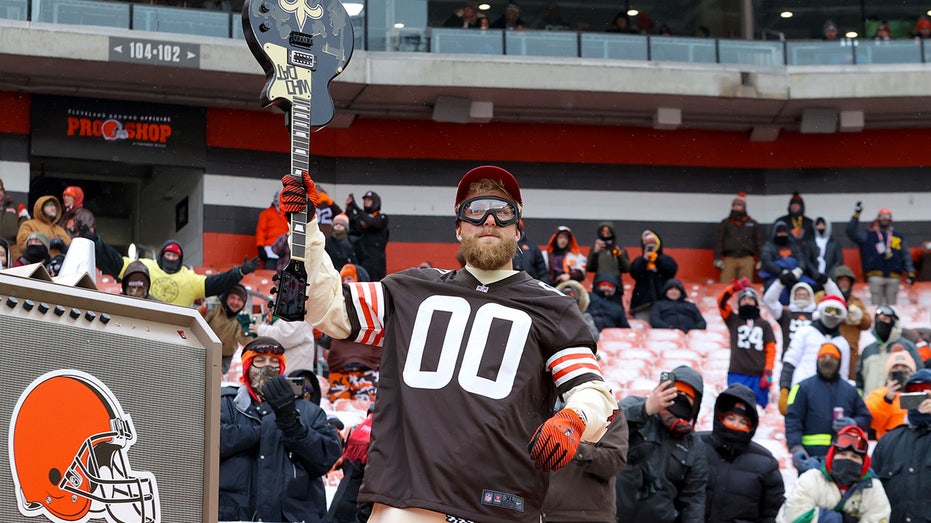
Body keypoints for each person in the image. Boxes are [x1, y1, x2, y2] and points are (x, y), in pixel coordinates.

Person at [279, 164, 617, 523]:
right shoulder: (409, 290)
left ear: (519, 230)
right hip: (407, 500)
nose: (489, 220)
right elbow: (327, 306)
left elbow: (592, 389)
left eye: (503, 212)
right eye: (475, 210)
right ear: (458, 228)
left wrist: (574, 417)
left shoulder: (553, 306)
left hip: (502, 503)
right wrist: (307, 228)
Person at [219, 337, 342, 523]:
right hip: (235, 515)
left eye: (274, 361)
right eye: (259, 361)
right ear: (246, 368)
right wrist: (261, 432)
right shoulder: (226, 405)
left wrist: (293, 424)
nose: (267, 367)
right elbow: (211, 441)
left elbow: (326, 457)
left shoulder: (310, 412)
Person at [615, 366, 708, 523]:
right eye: (676, 391)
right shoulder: (635, 405)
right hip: (613, 514)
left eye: (688, 395)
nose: (681, 397)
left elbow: (693, 499)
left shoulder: (693, 443)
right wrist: (646, 410)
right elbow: (605, 429)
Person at [90, 234, 259, 307]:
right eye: (168, 254)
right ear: (162, 255)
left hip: (172, 329)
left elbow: (215, 284)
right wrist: (97, 243)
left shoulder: (190, 279)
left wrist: (239, 272)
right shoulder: (144, 266)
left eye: (175, 256)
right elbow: (116, 263)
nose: (171, 258)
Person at [699, 384, 784, 523]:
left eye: (742, 422)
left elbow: (772, 512)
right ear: (720, 418)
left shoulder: (765, 463)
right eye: (731, 419)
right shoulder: (698, 445)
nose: (736, 425)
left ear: (751, 427)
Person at [777, 426, 891, 523]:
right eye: (843, 454)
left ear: (864, 463)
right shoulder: (812, 478)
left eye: (854, 457)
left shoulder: (872, 487)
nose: (848, 459)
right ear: (832, 456)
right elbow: (794, 516)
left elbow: (879, 517)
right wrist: (832, 519)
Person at [541, 404, 628, 523]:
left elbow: (614, 462)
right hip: (535, 514)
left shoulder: (607, 408)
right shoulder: (532, 402)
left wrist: (572, 444)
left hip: (588, 516)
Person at [785, 342, 872, 462]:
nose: (828, 361)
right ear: (817, 360)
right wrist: (796, 447)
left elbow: (866, 417)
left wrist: (854, 422)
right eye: (823, 357)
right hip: (811, 457)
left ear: (839, 362)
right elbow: (793, 419)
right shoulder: (802, 388)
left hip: (843, 456)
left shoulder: (850, 391)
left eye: (832, 357)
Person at [871, 368, 931, 522]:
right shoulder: (888, 442)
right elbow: (870, 493)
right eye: (914, 392)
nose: (921, 398)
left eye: (926, 392)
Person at [779, 295, 851, 414]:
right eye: (829, 310)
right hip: (800, 390)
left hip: (827, 397)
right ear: (821, 311)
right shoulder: (805, 332)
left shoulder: (843, 344)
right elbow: (790, 361)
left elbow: (843, 375)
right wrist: (784, 388)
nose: (832, 315)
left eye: (837, 311)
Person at [324, 264, 382, 402]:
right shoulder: (334, 307)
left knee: (366, 414)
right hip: (339, 371)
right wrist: (321, 335)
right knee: (340, 413)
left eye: (349, 278)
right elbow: (331, 341)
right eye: (343, 280)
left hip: (366, 370)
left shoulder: (374, 306)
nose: (345, 283)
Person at [718, 280, 776, 408]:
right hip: (737, 373)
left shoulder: (764, 324)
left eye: (751, 298)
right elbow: (721, 302)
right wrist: (735, 287)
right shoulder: (733, 320)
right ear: (739, 303)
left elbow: (771, 349)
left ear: (756, 302)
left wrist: (768, 372)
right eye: (743, 298)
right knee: (735, 407)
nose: (747, 301)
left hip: (758, 376)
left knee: (759, 410)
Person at [846, 202, 915, 305]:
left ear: (891, 220)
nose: (884, 220)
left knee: (892, 307)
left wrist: (910, 271)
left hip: (894, 276)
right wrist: (856, 214)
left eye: (887, 217)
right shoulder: (869, 235)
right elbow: (851, 232)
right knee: (876, 307)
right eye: (882, 217)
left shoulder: (898, 236)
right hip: (875, 275)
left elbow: (905, 255)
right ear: (878, 220)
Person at [817, 265, 872, 379]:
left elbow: (867, 324)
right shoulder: (821, 297)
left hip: (851, 350)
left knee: (848, 379)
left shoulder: (856, 302)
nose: (844, 283)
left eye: (847, 281)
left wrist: (859, 316)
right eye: (841, 280)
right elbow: (816, 315)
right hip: (826, 347)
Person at [856, 305, 922, 396]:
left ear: (894, 322)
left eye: (885, 319)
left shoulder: (907, 346)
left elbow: (918, 375)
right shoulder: (868, 350)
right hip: (871, 405)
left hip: (897, 406)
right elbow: (859, 380)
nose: (881, 322)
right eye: (878, 319)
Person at [200, 283, 253, 374]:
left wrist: (244, 331)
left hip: (225, 354)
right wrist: (202, 311)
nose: (235, 302)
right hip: (205, 349)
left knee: (217, 377)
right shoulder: (214, 303)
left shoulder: (245, 315)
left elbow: (244, 342)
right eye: (232, 297)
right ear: (227, 296)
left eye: (239, 300)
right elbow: (198, 323)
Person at [759, 220, 816, 305]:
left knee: (809, 285)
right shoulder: (768, 246)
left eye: (784, 232)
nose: (782, 234)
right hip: (776, 276)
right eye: (779, 232)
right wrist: (781, 272)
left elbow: (801, 259)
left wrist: (798, 271)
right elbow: (767, 262)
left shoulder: (794, 245)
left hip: (796, 275)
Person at [865, 351, 917, 439]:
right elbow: (872, 425)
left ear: (912, 372)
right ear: (889, 373)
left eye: (904, 367)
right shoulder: (877, 394)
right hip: (889, 444)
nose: (900, 370)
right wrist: (887, 400)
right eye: (895, 367)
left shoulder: (919, 393)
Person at [713, 192, 763, 284]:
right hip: (729, 259)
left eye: (739, 205)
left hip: (747, 259)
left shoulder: (752, 223)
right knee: (725, 284)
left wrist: (761, 259)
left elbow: (758, 242)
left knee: (745, 285)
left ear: (744, 207)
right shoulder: (726, 222)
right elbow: (719, 241)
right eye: (735, 205)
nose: (736, 207)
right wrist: (717, 258)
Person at [629, 229, 678, 321]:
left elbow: (671, 271)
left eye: (653, 243)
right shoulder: (639, 260)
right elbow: (634, 272)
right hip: (642, 304)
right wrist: (644, 260)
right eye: (647, 244)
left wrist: (657, 259)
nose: (651, 246)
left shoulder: (666, 259)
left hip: (663, 303)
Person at [762, 280, 815, 358]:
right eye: (799, 294)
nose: (801, 297)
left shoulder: (816, 315)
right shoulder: (786, 314)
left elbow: (838, 303)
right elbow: (769, 301)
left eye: (805, 295)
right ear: (793, 296)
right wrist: (780, 283)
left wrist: (828, 283)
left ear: (810, 296)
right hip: (789, 358)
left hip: (810, 358)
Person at [345, 190, 388, 281]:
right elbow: (350, 225)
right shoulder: (360, 217)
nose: (365, 202)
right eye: (365, 200)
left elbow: (371, 222)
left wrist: (356, 206)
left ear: (375, 202)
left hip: (377, 261)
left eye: (369, 200)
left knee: (377, 285)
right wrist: (349, 209)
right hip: (362, 258)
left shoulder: (382, 218)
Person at [14, 195, 70, 261]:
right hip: (37, 267)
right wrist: (48, 243)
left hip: (58, 267)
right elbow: (22, 245)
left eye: (55, 206)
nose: (54, 208)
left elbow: (72, 250)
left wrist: (64, 247)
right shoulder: (28, 225)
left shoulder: (60, 229)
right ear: (41, 207)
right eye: (50, 205)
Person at [585, 221, 630, 294]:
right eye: (603, 232)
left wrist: (619, 254)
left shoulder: (619, 249)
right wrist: (595, 252)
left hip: (616, 284)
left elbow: (627, 268)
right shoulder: (596, 249)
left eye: (608, 232)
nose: (605, 234)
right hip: (599, 284)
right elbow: (589, 268)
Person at [256, 191, 289, 270]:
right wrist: (260, 247)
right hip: (269, 251)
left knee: (282, 277)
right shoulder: (265, 214)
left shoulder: (288, 215)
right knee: (269, 275)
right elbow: (260, 231)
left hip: (284, 251)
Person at [811, 215, 842, 282]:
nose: (821, 227)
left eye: (823, 225)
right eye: (818, 225)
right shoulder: (811, 242)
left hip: (831, 276)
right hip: (814, 276)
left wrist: (830, 274)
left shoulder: (834, 242)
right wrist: (815, 273)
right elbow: (807, 260)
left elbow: (838, 261)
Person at [0, 178, 29, 250]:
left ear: (3, 191)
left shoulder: (18, 206)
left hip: (13, 247)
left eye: (0, 189)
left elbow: (26, 225)